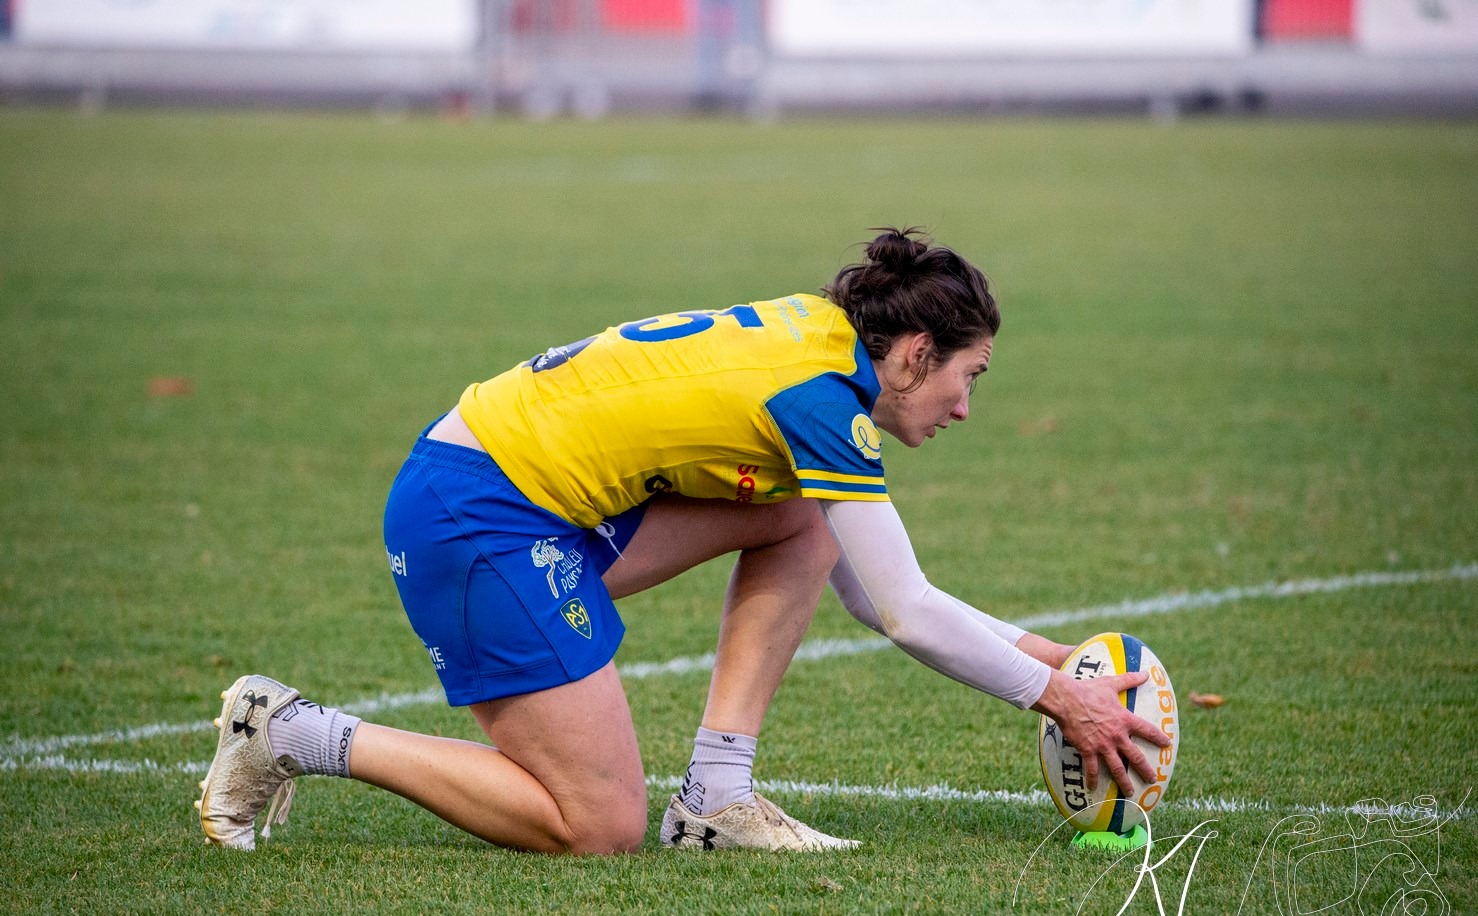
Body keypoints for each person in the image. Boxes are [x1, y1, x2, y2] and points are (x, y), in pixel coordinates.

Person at [194, 227, 1170, 854]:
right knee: (599, 827)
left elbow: (871, 590)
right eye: (970, 376)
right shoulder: (823, 400)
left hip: (524, 493)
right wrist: (1056, 698)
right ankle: (290, 734)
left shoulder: (824, 339)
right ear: (915, 354)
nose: (965, 406)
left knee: (799, 512)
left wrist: (1052, 660)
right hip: (477, 511)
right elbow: (904, 612)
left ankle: (715, 795)